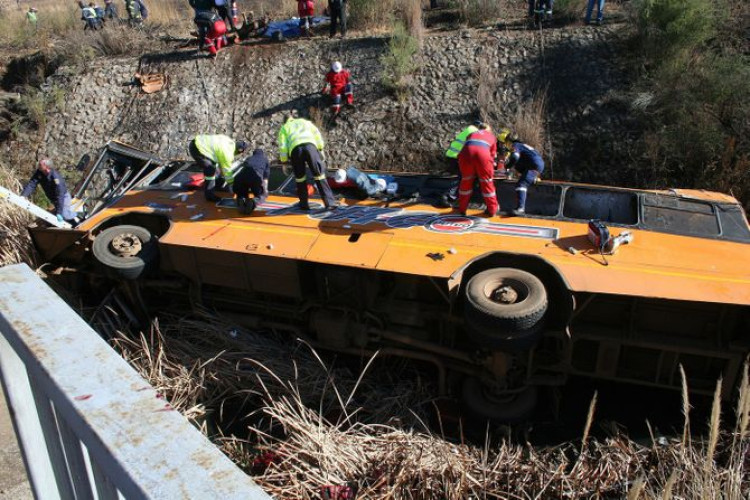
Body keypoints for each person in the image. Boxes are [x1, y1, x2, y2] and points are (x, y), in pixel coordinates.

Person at [277, 114, 336, 210]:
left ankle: (304, 204)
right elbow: (317, 134)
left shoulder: (284, 128)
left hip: (296, 151)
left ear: (285, 121)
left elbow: (283, 146)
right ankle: (330, 203)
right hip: (311, 147)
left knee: (300, 178)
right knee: (319, 175)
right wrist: (320, 148)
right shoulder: (305, 122)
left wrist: (284, 161)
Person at [188, 135, 248, 202]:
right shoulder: (228, 153)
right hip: (198, 149)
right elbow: (227, 171)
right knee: (210, 171)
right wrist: (231, 183)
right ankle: (209, 196)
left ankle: (217, 184)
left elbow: (220, 162)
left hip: (198, 142)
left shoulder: (229, 141)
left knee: (215, 168)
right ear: (239, 151)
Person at [457, 123, 499, 217]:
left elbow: (466, 146)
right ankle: (492, 210)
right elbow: (492, 156)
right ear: (488, 130)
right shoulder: (491, 136)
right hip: (482, 154)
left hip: (466, 154)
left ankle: (462, 209)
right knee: (487, 182)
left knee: (466, 181)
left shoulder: (472, 134)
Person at [501, 131, 544, 216]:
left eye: (506, 143)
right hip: (537, 164)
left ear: (509, 141)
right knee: (518, 168)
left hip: (533, 165)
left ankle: (520, 209)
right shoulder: (523, 146)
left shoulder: (516, 145)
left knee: (521, 184)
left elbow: (515, 157)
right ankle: (532, 178)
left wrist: (507, 166)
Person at [21, 159, 77, 224]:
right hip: (54, 199)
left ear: (46, 167)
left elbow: (60, 195)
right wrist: (23, 195)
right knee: (57, 219)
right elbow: (32, 184)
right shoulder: (39, 172)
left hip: (63, 198)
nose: (38, 165)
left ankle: (77, 219)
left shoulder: (55, 177)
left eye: (40, 164)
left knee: (64, 214)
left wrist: (59, 212)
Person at [440, 120, 482, 207]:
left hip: (451, 155)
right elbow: (472, 147)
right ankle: (448, 196)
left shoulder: (467, 130)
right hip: (456, 157)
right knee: (462, 177)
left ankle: (453, 196)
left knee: (461, 176)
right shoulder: (474, 132)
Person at [234, 149, 270, 215]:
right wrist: (265, 190)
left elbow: (244, 167)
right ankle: (253, 202)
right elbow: (265, 178)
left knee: (242, 192)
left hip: (241, 176)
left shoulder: (249, 158)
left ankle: (241, 199)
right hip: (255, 176)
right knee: (261, 195)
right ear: (262, 154)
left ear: (253, 154)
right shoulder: (265, 160)